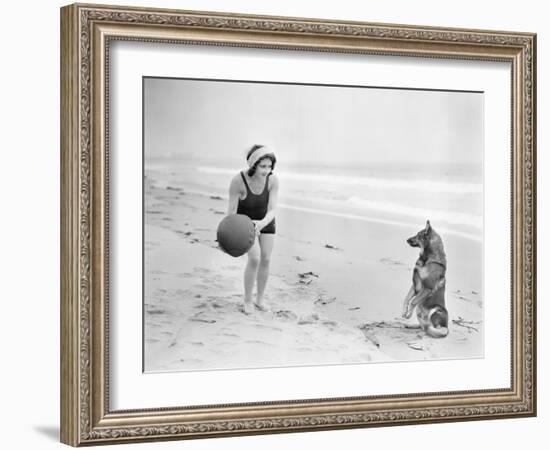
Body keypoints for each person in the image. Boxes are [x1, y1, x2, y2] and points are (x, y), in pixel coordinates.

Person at [227, 144, 279, 314]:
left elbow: (272, 210)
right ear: (253, 164)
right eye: (263, 166)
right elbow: (231, 213)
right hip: (245, 224)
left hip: (266, 222)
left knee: (266, 259)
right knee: (255, 259)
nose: (267, 170)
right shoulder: (238, 181)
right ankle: (248, 300)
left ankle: (260, 299)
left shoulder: (273, 180)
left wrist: (262, 223)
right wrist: (231, 235)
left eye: (270, 166)